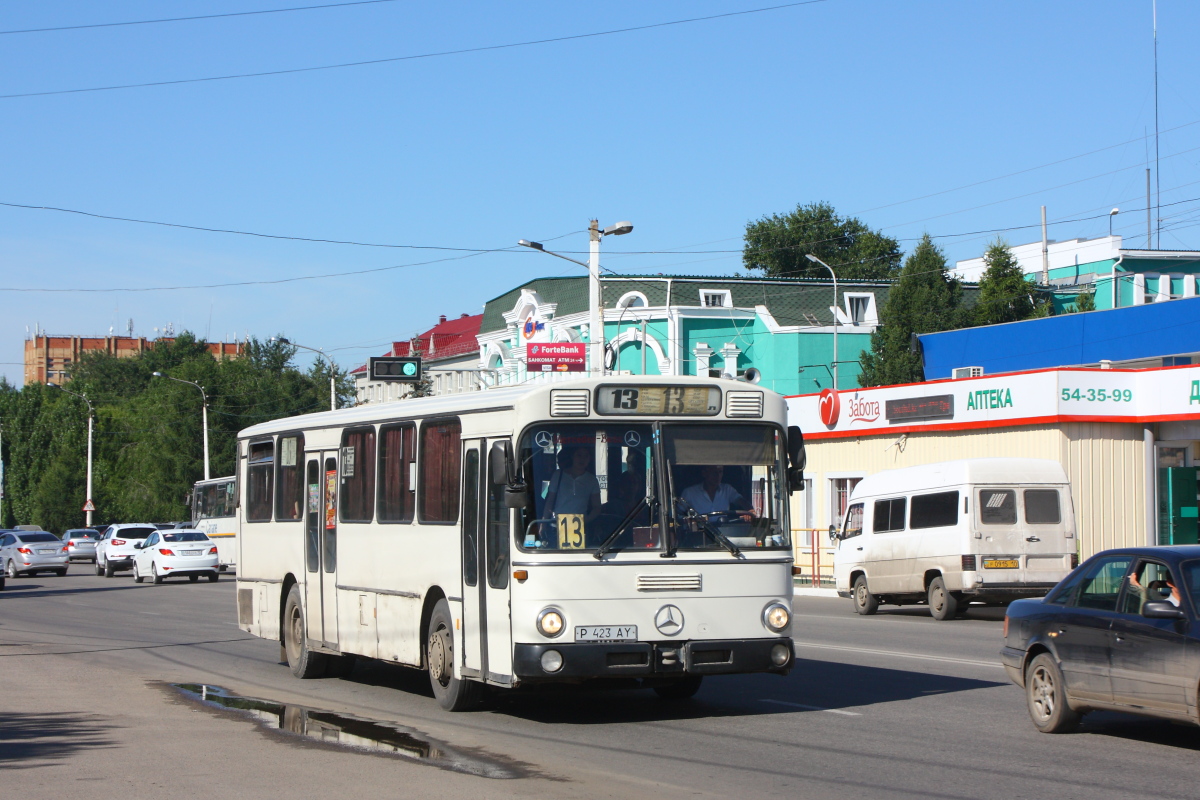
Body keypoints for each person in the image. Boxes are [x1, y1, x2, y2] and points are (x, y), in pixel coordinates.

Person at [543, 446, 602, 529]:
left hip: (580, 527)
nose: (582, 459)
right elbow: (550, 501)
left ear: (589, 459)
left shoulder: (592, 480)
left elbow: (597, 507)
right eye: (579, 455)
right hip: (556, 525)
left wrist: (585, 521)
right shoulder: (558, 475)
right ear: (572, 457)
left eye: (586, 456)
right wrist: (543, 523)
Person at [679, 465, 752, 519]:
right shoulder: (689, 492)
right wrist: (689, 521)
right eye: (714, 472)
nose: (718, 476)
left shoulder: (727, 489)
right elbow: (678, 514)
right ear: (704, 473)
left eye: (720, 472)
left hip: (724, 535)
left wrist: (750, 511)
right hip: (699, 535)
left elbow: (741, 501)